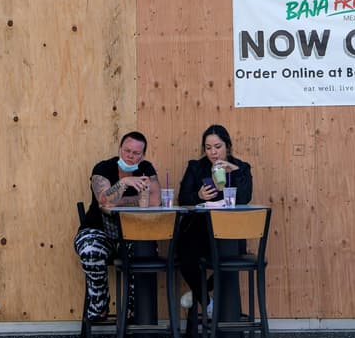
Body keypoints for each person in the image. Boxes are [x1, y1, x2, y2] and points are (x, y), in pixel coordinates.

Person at [74, 131, 160, 321]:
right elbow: (104, 200)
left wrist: (118, 201)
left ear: (143, 155)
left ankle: (132, 308)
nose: (131, 156)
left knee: (143, 253)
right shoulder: (104, 168)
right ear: (120, 149)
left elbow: (155, 201)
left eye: (136, 153)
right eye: (127, 151)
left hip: (133, 233)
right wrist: (124, 183)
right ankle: (99, 302)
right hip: (98, 230)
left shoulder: (146, 168)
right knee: (89, 250)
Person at [175, 124, 253, 310]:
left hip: (230, 231)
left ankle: (198, 293)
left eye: (218, 147)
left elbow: (245, 197)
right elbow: (183, 199)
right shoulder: (196, 167)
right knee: (183, 254)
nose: (213, 153)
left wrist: (232, 170)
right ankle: (207, 303)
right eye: (208, 148)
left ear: (227, 146)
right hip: (199, 230)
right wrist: (198, 196)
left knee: (229, 259)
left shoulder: (240, 167)